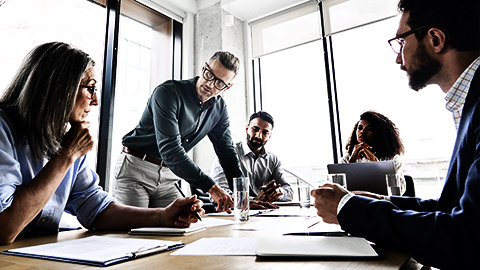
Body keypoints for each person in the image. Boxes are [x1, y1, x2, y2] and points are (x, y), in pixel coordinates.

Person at [311, 0, 480, 268]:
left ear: (435, 39)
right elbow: (452, 208)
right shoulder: (469, 102)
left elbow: (467, 238)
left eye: (401, 42)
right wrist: (386, 202)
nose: (398, 58)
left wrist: (348, 209)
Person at [0, 42, 204, 245]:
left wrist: (163, 216)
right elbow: (4, 228)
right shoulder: (5, 130)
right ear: (60, 88)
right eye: (90, 88)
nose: (95, 100)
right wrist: (65, 156)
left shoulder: (66, 137)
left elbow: (95, 209)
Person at [115, 51, 243, 212]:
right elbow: (171, 150)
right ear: (204, 68)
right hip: (136, 170)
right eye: (209, 75)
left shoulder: (219, 108)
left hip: (168, 178)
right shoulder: (168, 92)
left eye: (219, 83)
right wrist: (211, 187)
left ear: (227, 87)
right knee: (135, 232)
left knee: (185, 225)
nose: (210, 84)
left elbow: (227, 152)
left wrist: (243, 195)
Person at [210, 111, 293, 209]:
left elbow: (289, 192)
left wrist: (278, 192)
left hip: (265, 212)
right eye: (255, 129)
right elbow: (219, 192)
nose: (259, 135)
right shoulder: (227, 154)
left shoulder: (273, 160)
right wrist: (252, 201)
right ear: (247, 129)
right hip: (236, 212)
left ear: (270, 136)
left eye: (265, 132)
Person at [340, 110, 406, 194]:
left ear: (379, 133)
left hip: (382, 204)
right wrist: (351, 162)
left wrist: (375, 163)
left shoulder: (392, 160)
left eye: (369, 129)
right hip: (356, 204)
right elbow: (338, 190)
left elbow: (398, 191)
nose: (362, 132)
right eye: (360, 128)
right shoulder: (346, 159)